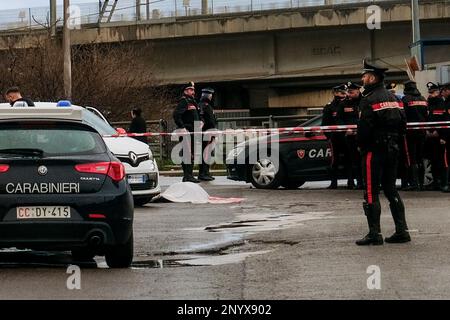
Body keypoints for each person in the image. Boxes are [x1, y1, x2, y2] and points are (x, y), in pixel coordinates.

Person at [356, 59, 411, 246]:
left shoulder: (368, 100)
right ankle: (402, 231)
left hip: (374, 150)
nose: (362, 79)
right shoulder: (394, 98)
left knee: (371, 192)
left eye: (364, 76)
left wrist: (361, 147)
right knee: (391, 189)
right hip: (393, 149)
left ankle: (374, 233)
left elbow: (364, 129)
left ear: (371, 77)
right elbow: (403, 125)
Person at [402, 81, 428, 191]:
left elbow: (402, 115)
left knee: (410, 158)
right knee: (419, 157)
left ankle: (413, 183)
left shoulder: (405, 100)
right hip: (422, 132)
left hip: (409, 133)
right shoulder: (423, 99)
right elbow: (426, 114)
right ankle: (421, 183)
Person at [173, 82, 201, 183]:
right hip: (187, 131)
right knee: (187, 153)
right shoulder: (184, 101)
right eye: (190, 90)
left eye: (193, 90)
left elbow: (197, 114)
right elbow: (176, 115)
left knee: (191, 153)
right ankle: (188, 175)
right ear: (185, 91)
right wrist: (182, 127)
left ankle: (188, 175)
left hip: (193, 131)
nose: (193, 92)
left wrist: (201, 121)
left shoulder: (192, 101)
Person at [337, 82, 363, 189]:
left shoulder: (365, 101)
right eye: (348, 92)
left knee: (365, 160)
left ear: (358, 91)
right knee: (354, 160)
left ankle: (369, 182)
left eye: (351, 92)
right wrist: (345, 129)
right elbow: (339, 118)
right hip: (351, 137)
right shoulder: (344, 104)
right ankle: (359, 182)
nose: (349, 94)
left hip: (364, 136)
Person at [322, 84, 348, 189]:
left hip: (346, 137)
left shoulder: (349, 104)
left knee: (349, 159)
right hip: (335, 137)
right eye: (341, 93)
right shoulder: (329, 107)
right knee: (334, 160)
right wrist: (329, 137)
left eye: (344, 93)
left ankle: (351, 182)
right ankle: (333, 183)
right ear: (335, 93)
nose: (343, 95)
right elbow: (325, 124)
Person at [427, 82, 449, 192]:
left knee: (442, 162)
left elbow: (445, 121)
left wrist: (442, 135)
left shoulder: (442, 104)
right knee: (434, 161)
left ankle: (444, 183)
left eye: (433, 92)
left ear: (438, 92)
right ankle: (435, 182)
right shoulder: (429, 104)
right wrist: (427, 131)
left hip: (440, 137)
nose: (431, 94)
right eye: (430, 92)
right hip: (430, 137)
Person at [198, 88, 217, 181]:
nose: (211, 97)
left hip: (208, 133)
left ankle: (206, 172)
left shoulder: (204, 105)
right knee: (205, 153)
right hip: (207, 133)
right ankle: (203, 173)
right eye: (210, 95)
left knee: (207, 153)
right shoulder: (204, 106)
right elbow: (208, 121)